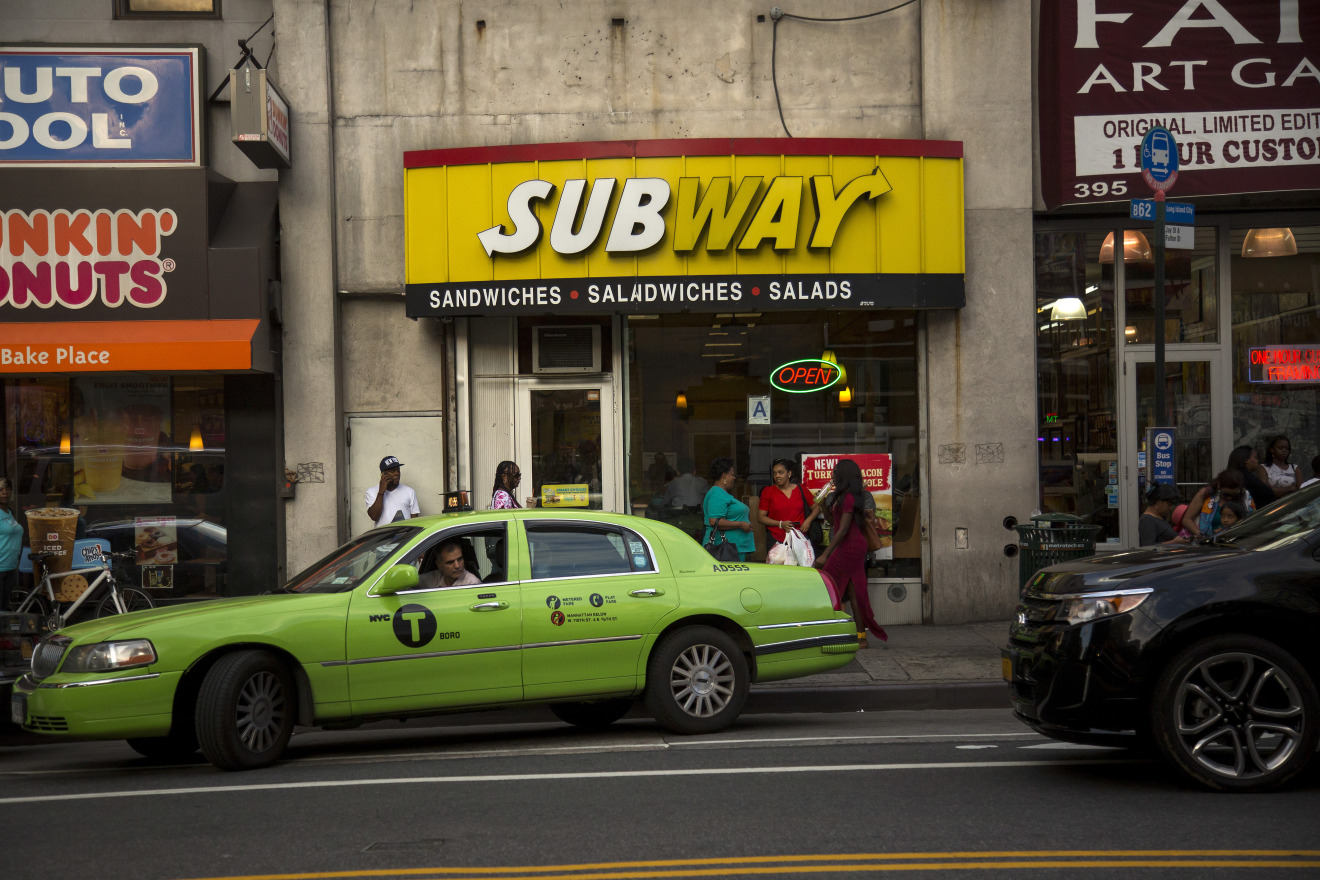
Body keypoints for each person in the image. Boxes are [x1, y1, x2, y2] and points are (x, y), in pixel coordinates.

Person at [813, 459, 887, 647]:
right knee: (854, 592)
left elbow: (844, 529)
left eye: (836, 472)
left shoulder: (849, 498)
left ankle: (831, 633)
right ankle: (860, 637)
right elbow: (834, 521)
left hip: (850, 546)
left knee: (827, 586)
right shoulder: (842, 496)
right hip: (850, 545)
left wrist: (825, 555)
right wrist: (822, 505)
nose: (832, 476)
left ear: (844, 475)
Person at [701, 457, 755, 561]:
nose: (734, 478)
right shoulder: (717, 493)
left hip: (732, 549)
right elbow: (714, 521)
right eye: (732, 474)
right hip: (725, 550)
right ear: (724, 475)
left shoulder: (722, 494)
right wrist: (741, 524)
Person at [756, 458, 817, 549]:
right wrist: (780, 524)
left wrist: (808, 521)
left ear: (789, 474)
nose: (777, 476)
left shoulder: (801, 489)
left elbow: (816, 507)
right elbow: (761, 517)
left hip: (800, 537)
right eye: (775, 473)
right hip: (776, 539)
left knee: (800, 563)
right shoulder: (768, 491)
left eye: (781, 472)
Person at [1182, 469, 1255, 538]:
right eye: (1226, 494)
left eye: (1235, 495)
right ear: (1218, 486)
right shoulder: (1206, 494)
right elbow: (1187, 519)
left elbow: (1253, 522)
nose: (1230, 498)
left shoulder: (1246, 497)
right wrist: (1201, 535)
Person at [365, 455, 420, 526]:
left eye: (398, 470)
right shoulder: (371, 492)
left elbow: (415, 521)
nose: (397, 473)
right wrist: (381, 492)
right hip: (383, 536)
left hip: (405, 535)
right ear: (383, 474)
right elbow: (374, 516)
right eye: (392, 471)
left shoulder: (410, 491)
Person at [1227, 445, 1275, 509]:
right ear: (1246, 460)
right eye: (1255, 458)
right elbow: (1268, 494)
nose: (1257, 461)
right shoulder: (1247, 479)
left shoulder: (1230, 477)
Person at [0, 477, 21, 612]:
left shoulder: (9, 511)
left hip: (11, 567)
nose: (5, 492)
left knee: (4, 607)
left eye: (7, 489)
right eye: (0, 489)